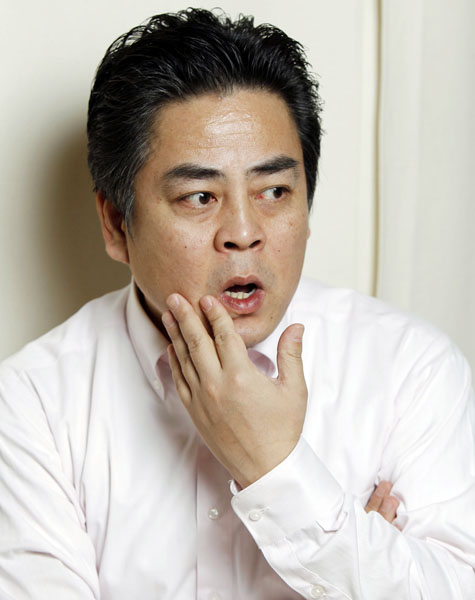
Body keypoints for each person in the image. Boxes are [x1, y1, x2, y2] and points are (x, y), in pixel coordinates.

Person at [0, 7, 474, 599]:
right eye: (200, 196)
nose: (244, 233)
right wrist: (351, 560)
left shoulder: (410, 370)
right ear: (118, 224)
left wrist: (275, 469)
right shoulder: (32, 406)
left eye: (274, 190)